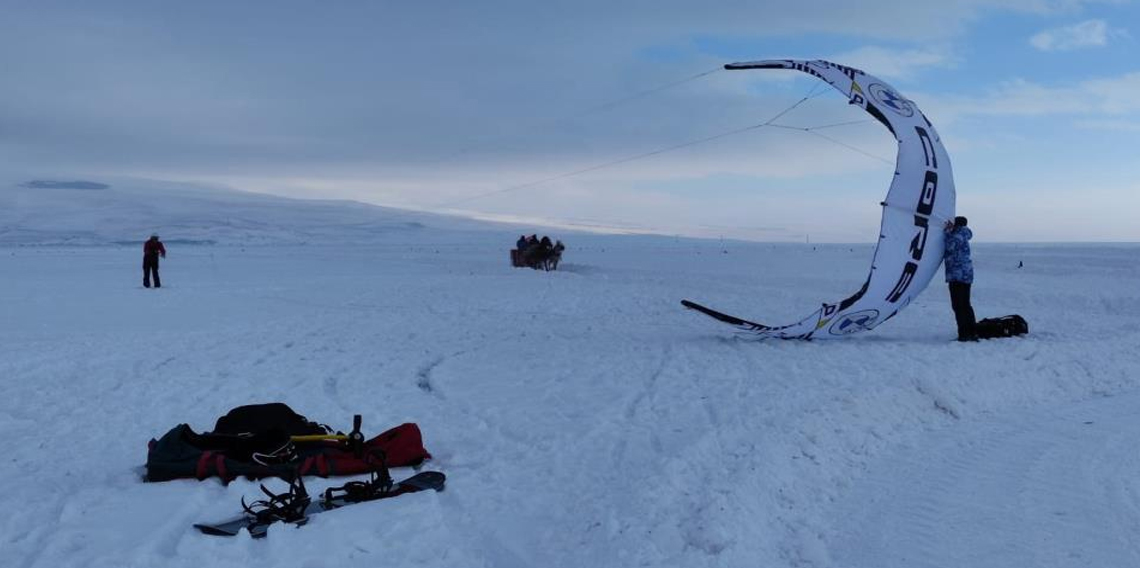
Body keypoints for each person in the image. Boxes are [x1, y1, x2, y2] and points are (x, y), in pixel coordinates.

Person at [943, 216, 976, 341]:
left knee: (959, 305)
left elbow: (950, 246)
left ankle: (965, 334)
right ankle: (971, 332)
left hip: (959, 275)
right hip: (962, 275)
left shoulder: (959, 234)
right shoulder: (963, 234)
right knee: (964, 305)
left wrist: (946, 232)